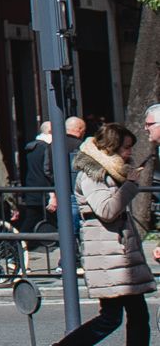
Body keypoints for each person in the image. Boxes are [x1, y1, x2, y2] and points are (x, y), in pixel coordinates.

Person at [64, 122, 154, 346]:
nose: (129, 153)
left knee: (130, 315)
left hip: (116, 252)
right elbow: (107, 210)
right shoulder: (93, 173)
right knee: (115, 317)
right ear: (111, 147)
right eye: (126, 147)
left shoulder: (111, 172)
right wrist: (131, 185)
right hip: (107, 252)